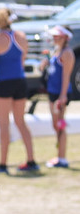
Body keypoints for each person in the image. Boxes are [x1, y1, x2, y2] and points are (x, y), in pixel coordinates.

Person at [0, 8, 37, 173]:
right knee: (21, 122)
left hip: (4, 82)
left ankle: (3, 164)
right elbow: (22, 59)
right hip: (20, 81)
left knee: (4, 124)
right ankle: (31, 160)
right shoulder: (22, 36)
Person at [43, 25, 73, 168]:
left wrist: (63, 95)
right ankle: (59, 155)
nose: (55, 38)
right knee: (56, 124)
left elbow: (66, 76)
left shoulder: (67, 53)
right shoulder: (56, 51)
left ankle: (62, 158)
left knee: (60, 124)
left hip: (60, 94)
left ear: (65, 38)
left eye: (58, 36)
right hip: (52, 91)